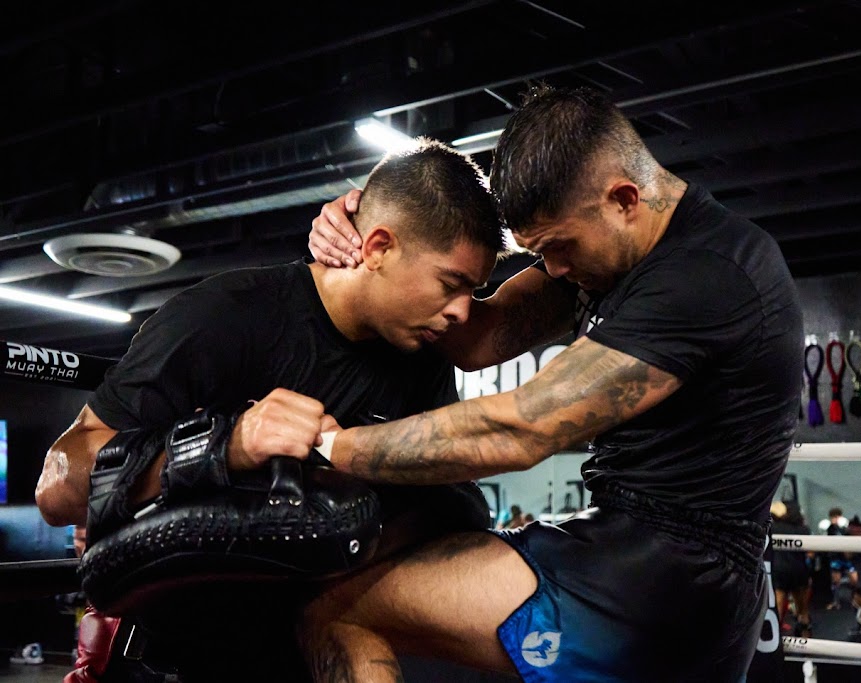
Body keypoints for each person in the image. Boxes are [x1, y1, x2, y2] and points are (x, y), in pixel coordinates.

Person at [303, 84, 804, 682]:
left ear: (623, 199)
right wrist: (373, 238)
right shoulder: (612, 254)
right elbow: (477, 338)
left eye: (560, 247)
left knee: (340, 609)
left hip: (671, 579)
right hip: (628, 550)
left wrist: (330, 446)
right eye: (542, 252)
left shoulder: (708, 275)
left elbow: (523, 427)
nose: (556, 269)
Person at [34, 139, 504, 682]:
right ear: (378, 247)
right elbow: (57, 490)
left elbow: (451, 504)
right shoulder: (226, 316)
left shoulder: (421, 358)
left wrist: (353, 473)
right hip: (182, 662)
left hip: (306, 653)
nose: (463, 312)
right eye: (451, 284)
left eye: (474, 291)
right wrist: (225, 445)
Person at [771, 502, 813, 637]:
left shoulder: (774, 528)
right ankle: (806, 643)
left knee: (777, 608)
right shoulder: (803, 529)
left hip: (779, 570)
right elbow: (811, 553)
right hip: (799, 570)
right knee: (803, 611)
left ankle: (774, 639)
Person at [824, 506, 854, 609]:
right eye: (834, 517)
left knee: (854, 579)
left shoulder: (845, 528)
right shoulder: (830, 529)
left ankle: (854, 599)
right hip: (835, 557)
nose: (836, 519)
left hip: (846, 557)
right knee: (835, 580)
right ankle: (836, 601)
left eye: (837, 517)